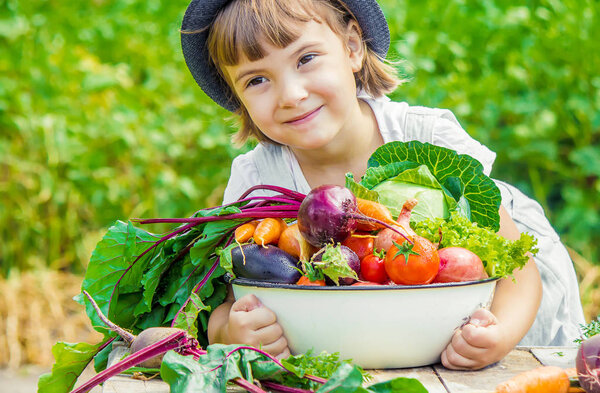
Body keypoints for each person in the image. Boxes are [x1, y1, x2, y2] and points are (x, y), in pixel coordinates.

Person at [179, 0, 585, 369]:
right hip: (375, 338)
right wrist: (230, 333)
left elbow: (517, 270)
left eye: (306, 59)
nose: (291, 94)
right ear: (236, 96)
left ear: (352, 48)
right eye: (256, 81)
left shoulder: (425, 138)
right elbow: (230, 304)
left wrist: (500, 337)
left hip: (489, 306)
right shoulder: (256, 183)